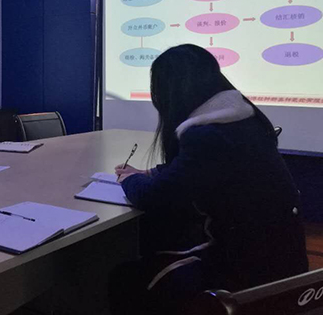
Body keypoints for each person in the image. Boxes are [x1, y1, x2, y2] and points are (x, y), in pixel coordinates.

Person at [110, 44, 308, 314]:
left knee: (125, 278)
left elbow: (152, 196)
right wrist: (150, 172)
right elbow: (193, 171)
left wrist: (127, 180)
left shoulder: (206, 135)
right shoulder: (241, 121)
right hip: (283, 262)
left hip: (246, 274)